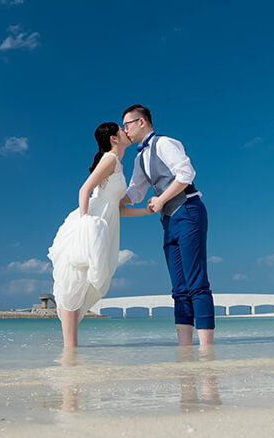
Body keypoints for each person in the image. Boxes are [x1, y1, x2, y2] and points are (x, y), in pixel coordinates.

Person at [47, 122, 152, 347]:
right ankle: (69, 346)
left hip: (107, 224)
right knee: (74, 280)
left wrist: (147, 211)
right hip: (93, 224)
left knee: (85, 283)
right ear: (114, 138)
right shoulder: (110, 159)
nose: (126, 131)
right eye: (121, 129)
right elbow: (84, 190)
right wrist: (86, 224)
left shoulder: (117, 164)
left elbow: (117, 207)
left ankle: (71, 348)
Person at [120, 105, 215, 348]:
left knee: (196, 283)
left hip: (188, 210)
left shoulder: (164, 143)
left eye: (127, 125)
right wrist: (109, 201)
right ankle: (184, 350)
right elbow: (136, 192)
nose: (125, 131)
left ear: (142, 122)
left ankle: (206, 351)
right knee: (179, 288)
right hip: (168, 220)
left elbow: (186, 173)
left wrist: (161, 199)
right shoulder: (139, 157)